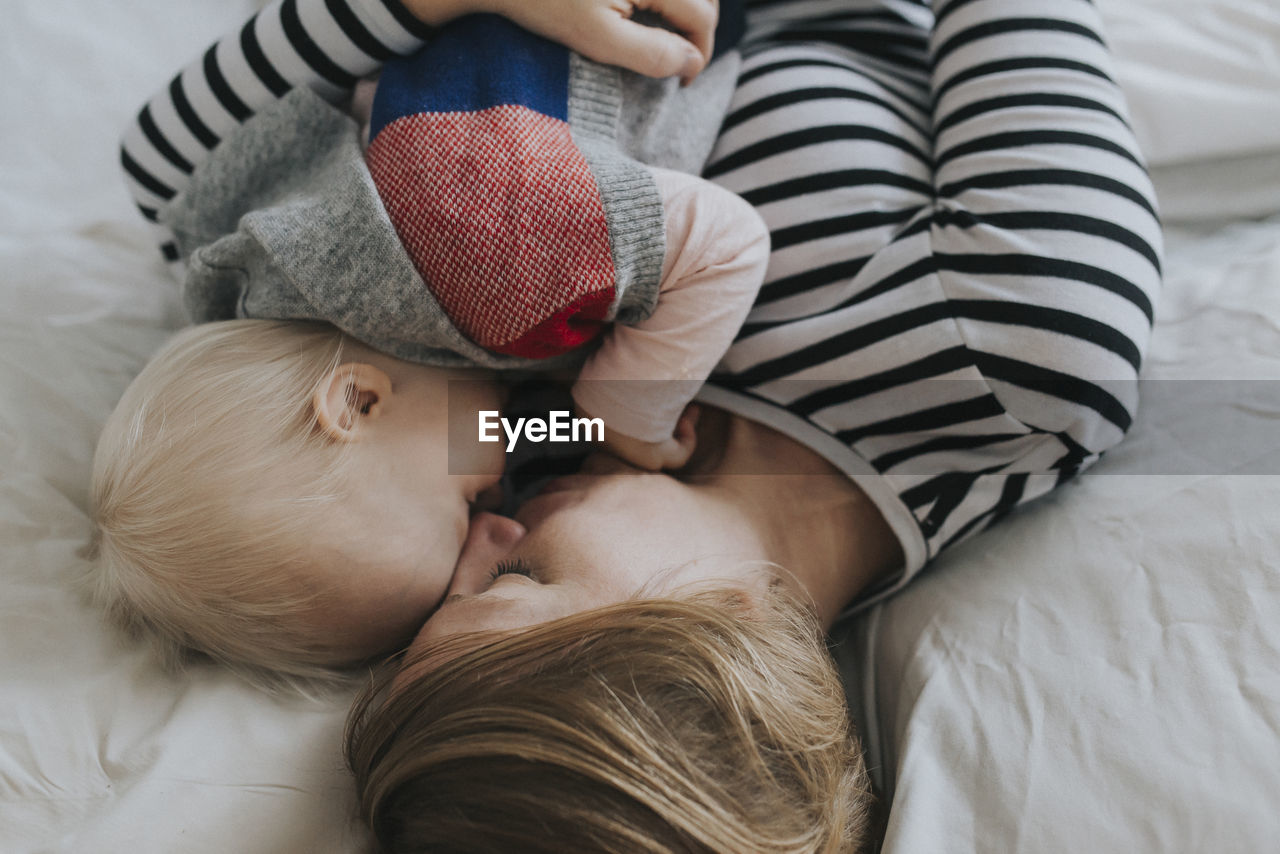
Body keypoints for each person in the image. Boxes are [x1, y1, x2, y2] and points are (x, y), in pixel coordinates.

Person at [344, 0, 1164, 849]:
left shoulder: (567, 449)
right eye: (514, 576)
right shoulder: (1025, 355)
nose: (473, 533)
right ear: (722, 619)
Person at [89, 0, 763, 686]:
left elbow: (728, 244)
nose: (499, 510)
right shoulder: (247, 254)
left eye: (467, 504)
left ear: (356, 401)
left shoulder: (488, 277)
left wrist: (627, 417)